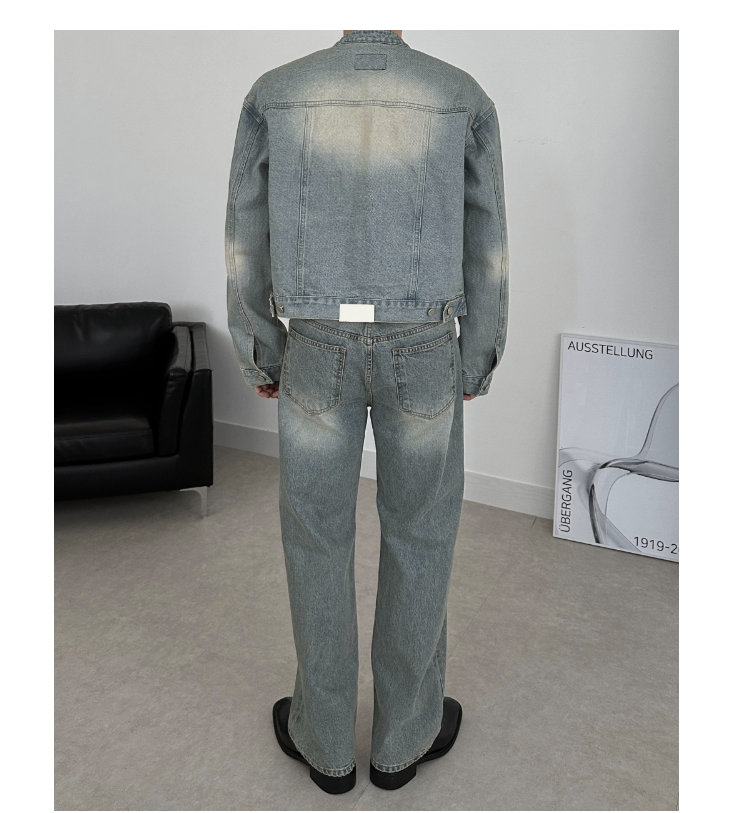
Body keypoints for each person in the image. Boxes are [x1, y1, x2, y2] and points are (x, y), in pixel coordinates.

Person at [225, 29, 508, 794]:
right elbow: (487, 234)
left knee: (315, 540)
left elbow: (245, 233)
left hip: (317, 344)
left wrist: (260, 347)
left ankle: (325, 743)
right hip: (425, 344)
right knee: (422, 536)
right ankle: (402, 740)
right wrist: (478, 351)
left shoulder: (276, 91)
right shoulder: (459, 94)